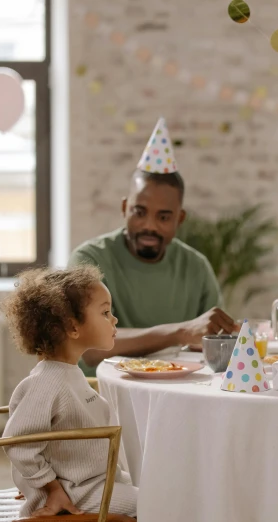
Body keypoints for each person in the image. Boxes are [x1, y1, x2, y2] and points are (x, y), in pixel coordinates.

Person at [69, 118, 237, 376]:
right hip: (105, 400)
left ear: (179, 219)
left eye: (164, 217)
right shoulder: (90, 260)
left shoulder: (196, 267)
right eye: (139, 212)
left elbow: (213, 347)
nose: (150, 226)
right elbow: (91, 349)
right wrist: (181, 332)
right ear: (125, 208)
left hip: (180, 392)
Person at [0, 266, 138, 518]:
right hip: (78, 492)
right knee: (158, 502)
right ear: (73, 328)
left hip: (95, 480)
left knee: (158, 484)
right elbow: (18, 443)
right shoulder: (47, 382)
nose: (114, 320)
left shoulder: (67, 372)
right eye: (105, 312)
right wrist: (48, 487)